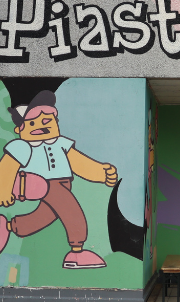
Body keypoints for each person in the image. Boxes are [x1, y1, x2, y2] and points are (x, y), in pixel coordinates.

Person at [0, 90, 118, 268]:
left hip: (63, 183)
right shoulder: (22, 146)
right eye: (32, 123)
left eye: (46, 121)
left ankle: (9, 226)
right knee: (71, 210)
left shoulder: (61, 143)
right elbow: (7, 167)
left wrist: (101, 173)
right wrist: (4, 190)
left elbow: (79, 163)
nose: (40, 126)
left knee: (44, 217)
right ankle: (77, 251)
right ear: (19, 129)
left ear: (56, 122)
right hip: (42, 185)